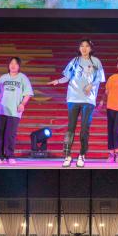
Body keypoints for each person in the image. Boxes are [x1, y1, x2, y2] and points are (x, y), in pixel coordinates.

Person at [49, 39, 105, 167]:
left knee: (85, 128)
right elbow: (67, 77)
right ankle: (67, 155)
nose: (84, 48)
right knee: (70, 128)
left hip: (88, 100)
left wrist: (91, 85)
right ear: (79, 48)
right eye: (82, 46)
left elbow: (99, 79)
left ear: (91, 48)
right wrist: (57, 81)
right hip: (73, 98)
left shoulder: (96, 61)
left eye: (87, 46)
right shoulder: (74, 61)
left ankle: (82, 155)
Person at [0, 57, 33, 164]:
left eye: (16, 64)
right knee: (0, 134)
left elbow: (27, 94)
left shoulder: (23, 78)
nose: (13, 65)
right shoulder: (3, 78)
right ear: (8, 65)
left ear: (19, 66)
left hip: (14, 111)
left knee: (10, 135)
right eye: (11, 63)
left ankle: (10, 156)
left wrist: (22, 104)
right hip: (1, 110)